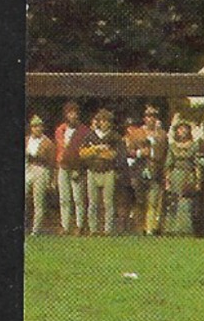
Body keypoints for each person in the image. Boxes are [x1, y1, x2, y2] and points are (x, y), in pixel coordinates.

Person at [78, 108, 128, 235]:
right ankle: (93, 229)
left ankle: (108, 229)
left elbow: (117, 155)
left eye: (106, 121)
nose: (104, 123)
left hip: (108, 171)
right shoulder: (90, 136)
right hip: (92, 171)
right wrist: (97, 150)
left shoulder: (115, 137)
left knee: (108, 202)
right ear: (98, 122)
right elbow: (82, 154)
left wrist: (100, 152)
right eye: (101, 121)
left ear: (110, 123)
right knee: (92, 202)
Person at [54, 100, 88, 235]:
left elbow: (86, 152)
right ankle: (65, 225)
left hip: (76, 168)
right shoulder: (60, 130)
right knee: (64, 198)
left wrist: (79, 167)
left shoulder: (83, 131)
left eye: (74, 113)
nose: (72, 116)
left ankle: (79, 225)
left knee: (78, 198)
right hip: (63, 166)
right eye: (70, 113)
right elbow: (57, 150)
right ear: (66, 115)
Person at [135, 105, 169, 235]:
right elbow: (129, 151)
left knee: (153, 201)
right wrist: (139, 152)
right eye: (148, 116)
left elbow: (166, 154)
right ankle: (139, 228)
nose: (151, 119)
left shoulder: (162, 134)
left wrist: (165, 173)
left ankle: (150, 229)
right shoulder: (137, 133)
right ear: (144, 118)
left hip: (156, 169)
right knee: (140, 201)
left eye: (153, 116)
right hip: (140, 169)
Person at [162, 120, 199, 235]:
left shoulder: (194, 145)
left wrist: (198, 180)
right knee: (173, 201)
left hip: (188, 175)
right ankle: (171, 228)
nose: (182, 131)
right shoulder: (172, 146)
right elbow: (168, 163)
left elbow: (197, 163)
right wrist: (167, 180)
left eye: (185, 129)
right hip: (175, 174)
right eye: (180, 129)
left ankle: (185, 228)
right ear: (176, 131)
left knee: (186, 201)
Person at [26, 114, 56, 235]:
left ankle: (36, 230)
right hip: (28, 168)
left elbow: (51, 162)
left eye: (39, 127)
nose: (37, 129)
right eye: (35, 127)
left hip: (41, 169)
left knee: (38, 201)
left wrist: (51, 179)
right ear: (31, 128)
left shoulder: (47, 143)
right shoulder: (27, 139)